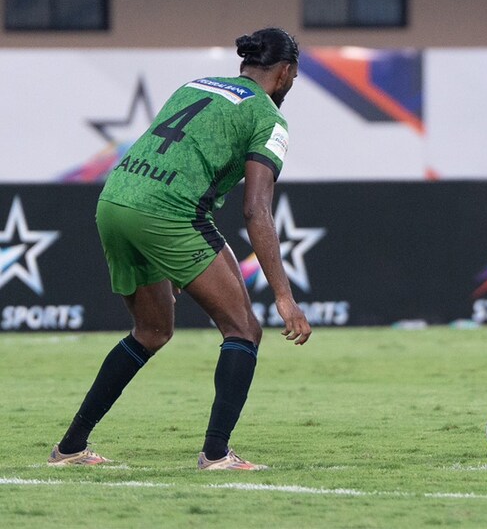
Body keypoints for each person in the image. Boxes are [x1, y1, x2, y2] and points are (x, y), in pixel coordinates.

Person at [48, 27, 311, 471]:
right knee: (244, 330)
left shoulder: (195, 85)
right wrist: (284, 297)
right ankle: (216, 454)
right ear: (285, 72)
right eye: (294, 78)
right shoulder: (269, 119)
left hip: (115, 201)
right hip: (167, 213)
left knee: (151, 331)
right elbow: (256, 210)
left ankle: (70, 447)